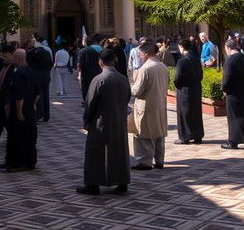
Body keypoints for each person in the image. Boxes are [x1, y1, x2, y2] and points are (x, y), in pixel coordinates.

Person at [77, 48, 131, 195]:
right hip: (119, 121)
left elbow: (90, 103)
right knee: (119, 151)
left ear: (100, 62)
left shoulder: (99, 79)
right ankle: (122, 182)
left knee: (96, 153)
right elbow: (127, 98)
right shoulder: (123, 79)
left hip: (101, 122)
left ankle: (93, 184)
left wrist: (86, 120)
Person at [130, 40, 169, 170]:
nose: (140, 56)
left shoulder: (145, 69)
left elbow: (137, 91)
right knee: (159, 133)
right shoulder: (163, 67)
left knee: (143, 133)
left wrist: (131, 85)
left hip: (146, 106)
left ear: (146, 53)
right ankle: (159, 160)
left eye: (141, 53)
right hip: (160, 104)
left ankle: (144, 162)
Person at [3, 48, 38, 172]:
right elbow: (37, 92)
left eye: (14, 57)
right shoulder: (31, 71)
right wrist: (32, 104)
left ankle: (18, 163)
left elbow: (19, 96)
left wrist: (18, 112)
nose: (12, 59)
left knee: (18, 137)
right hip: (29, 110)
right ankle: (29, 161)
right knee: (28, 136)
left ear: (18, 58)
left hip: (20, 111)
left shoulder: (19, 73)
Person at [221, 36, 244, 149]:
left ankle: (233, 141)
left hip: (233, 92)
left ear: (228, 48)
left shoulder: (230, 60)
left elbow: (227, 77)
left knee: (234, 117)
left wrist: (224, 88)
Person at [173, 36, 204, 145]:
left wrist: (178, 86)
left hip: (185, 89)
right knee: (196, 112)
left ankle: (185, 137)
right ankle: (197, 135)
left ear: (181, 47)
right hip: (196, 88)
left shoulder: (182, 60)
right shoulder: (196, 58)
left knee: (184, 113)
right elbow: (201, 74)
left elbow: (177, 78)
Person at [26, 37, 52, 122]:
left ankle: (39, 114)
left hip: (37, 76)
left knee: (38, 95)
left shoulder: (32, 53)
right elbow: (51, 64)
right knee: (46, 95)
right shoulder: (46, 52)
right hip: (46, 76)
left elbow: (29, 65)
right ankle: (47, 115)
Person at [77, 35, 102, 100]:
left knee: (85, 88)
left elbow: (79, 64)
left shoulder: (82, 51)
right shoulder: (95, 51)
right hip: (95, 72)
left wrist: (79, 73)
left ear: (85, 42)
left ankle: (86, 100)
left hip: (85, 73)